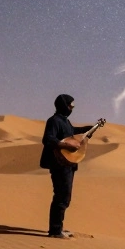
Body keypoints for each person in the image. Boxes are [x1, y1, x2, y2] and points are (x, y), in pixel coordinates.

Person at [40, 94, 95, 239]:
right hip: (59, 163)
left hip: (68, 163)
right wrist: (65, 145)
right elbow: (48, 139)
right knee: (61, 196)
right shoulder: (53, 121)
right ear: (63, 105)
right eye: (70, 105)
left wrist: (87, 129)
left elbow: (71, 131)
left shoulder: (65, 121)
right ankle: (55, 231)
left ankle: (58, 227)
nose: (72, 108)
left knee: (65, 196)